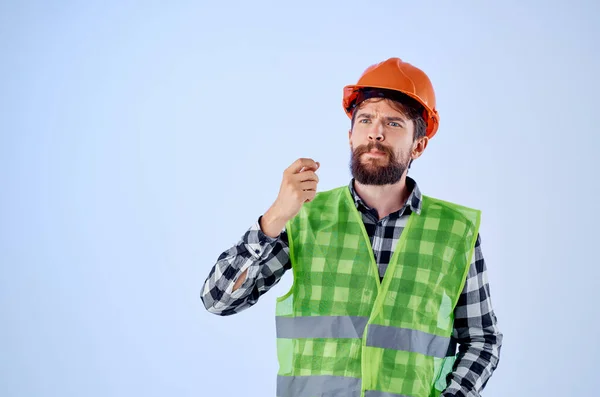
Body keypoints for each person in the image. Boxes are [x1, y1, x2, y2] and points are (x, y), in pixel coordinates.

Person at [201, 57, 503, 397]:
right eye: (366, 119)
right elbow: (218, 300)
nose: (376, 131)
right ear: (350, 136)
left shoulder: (455, 232)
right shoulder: (305, 218)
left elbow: (482, 339)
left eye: (393, 123)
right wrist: (274, 218)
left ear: (418, 145)